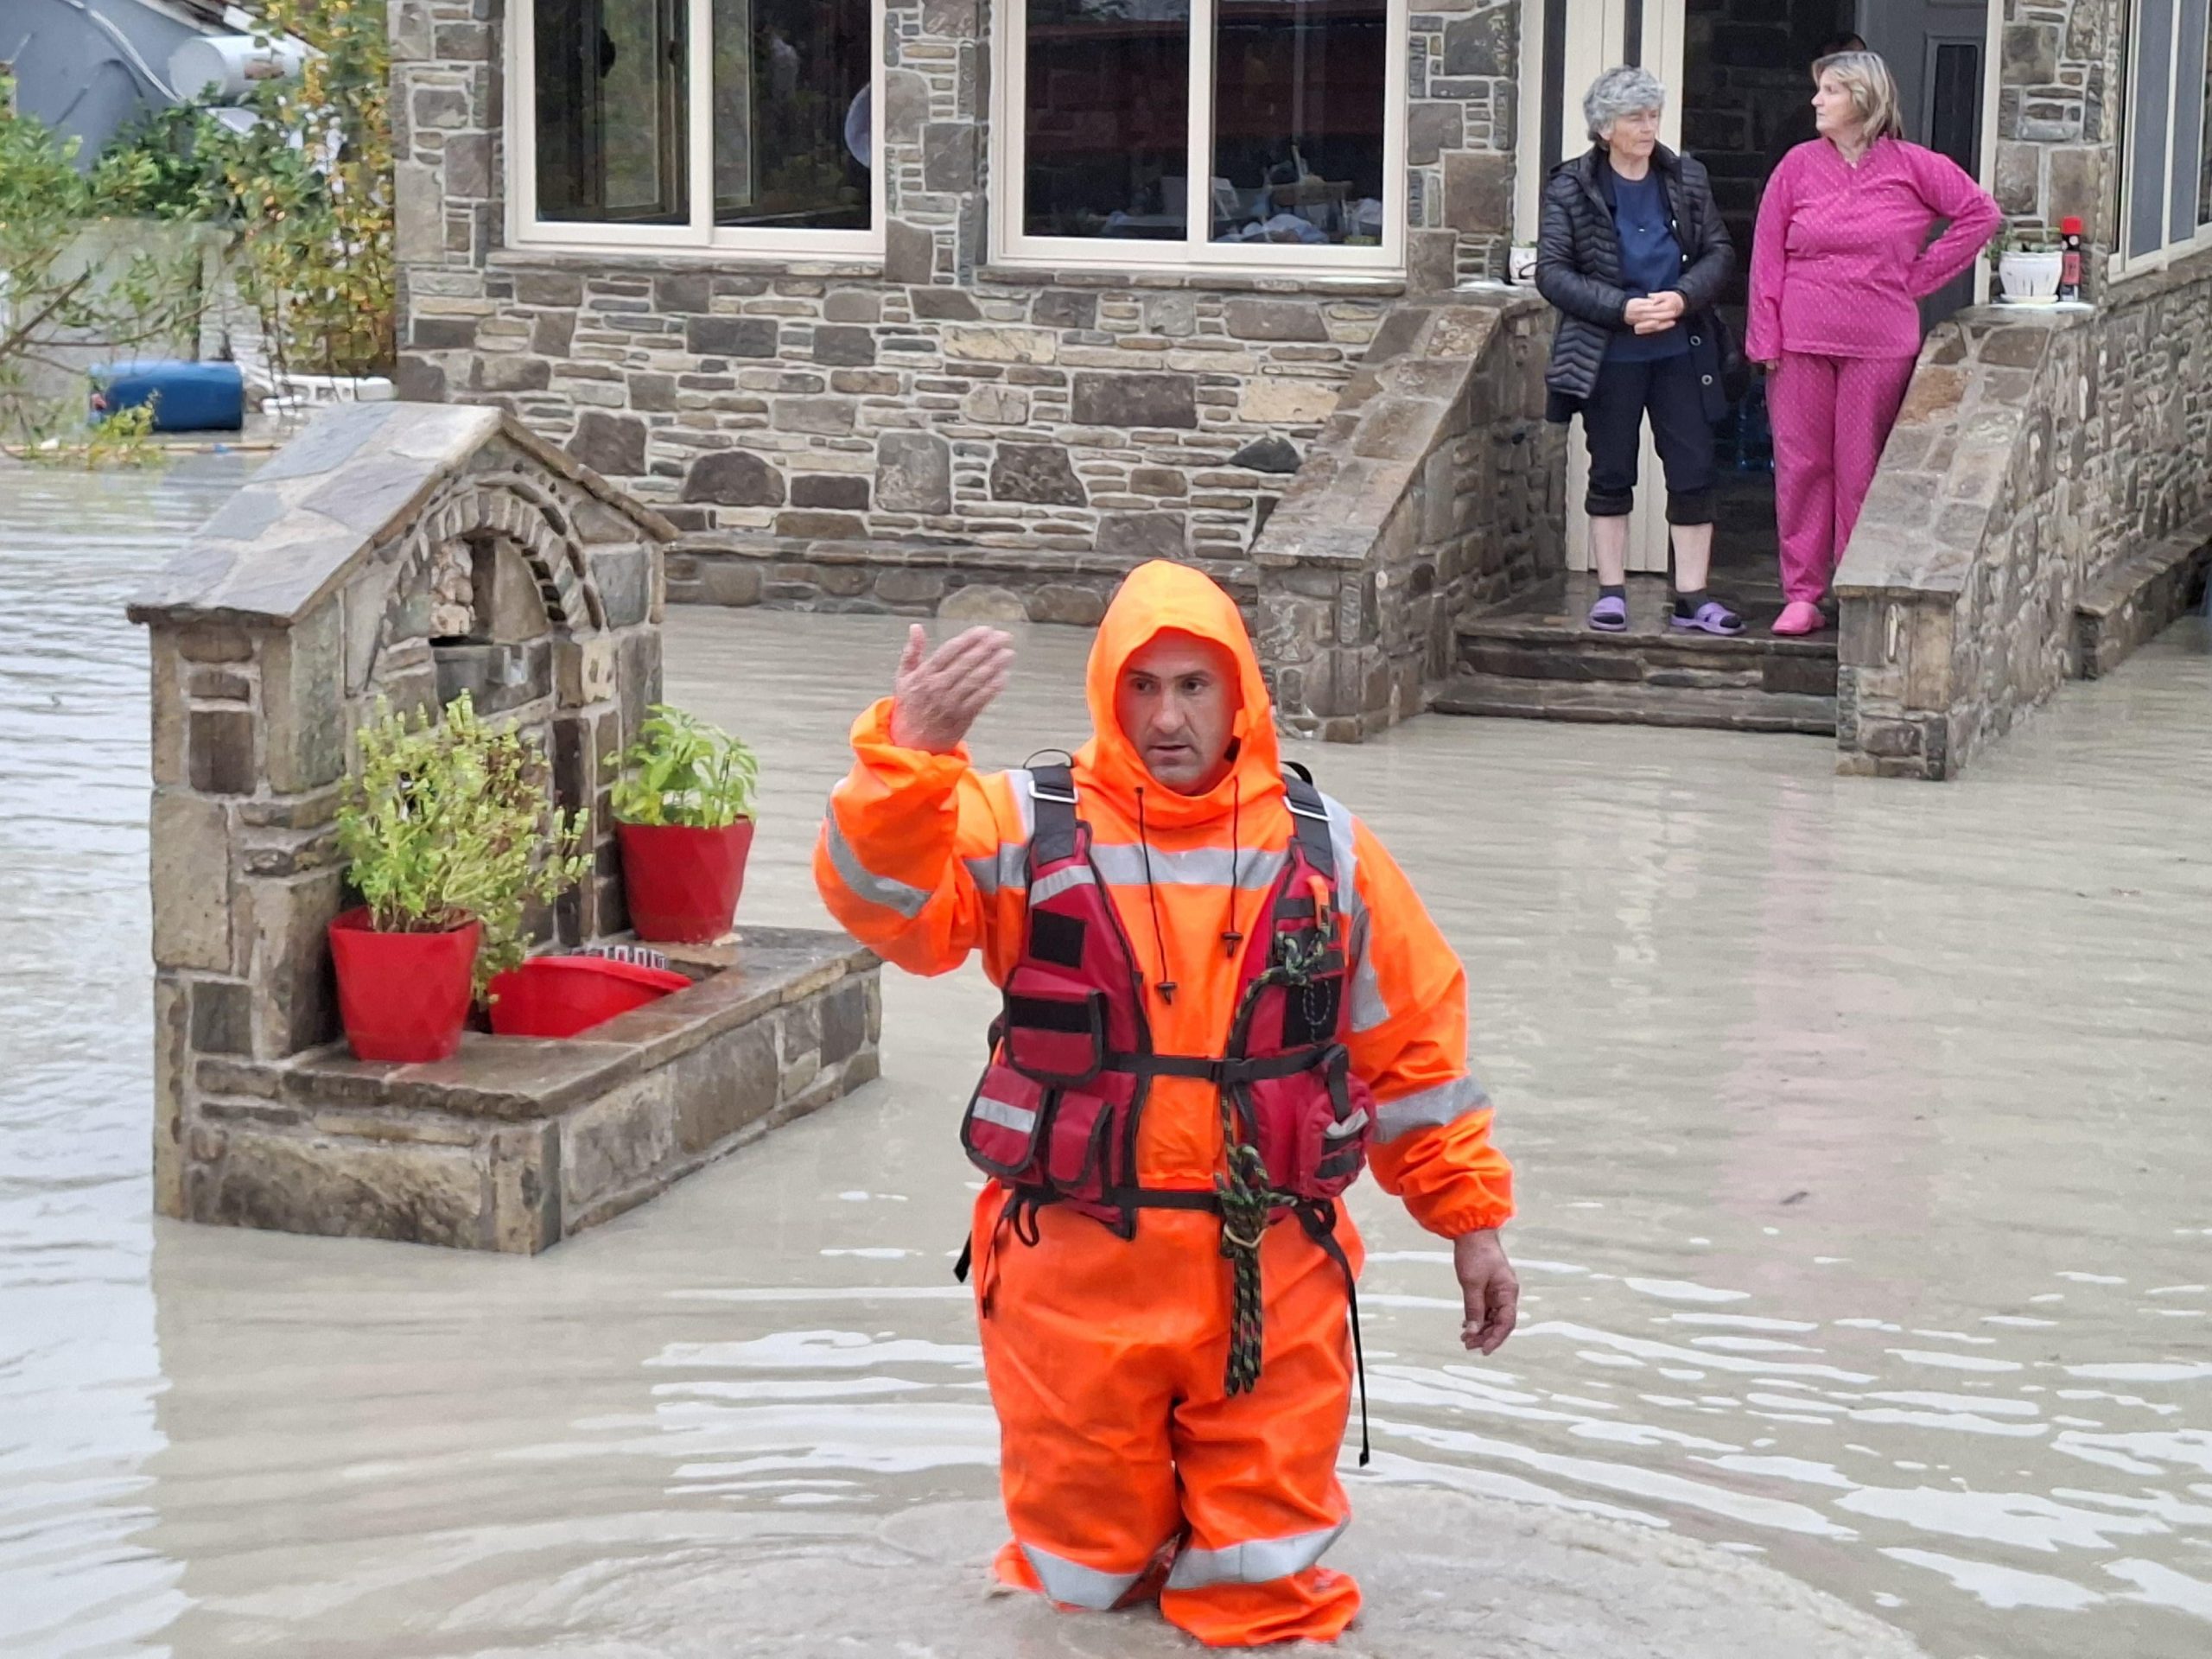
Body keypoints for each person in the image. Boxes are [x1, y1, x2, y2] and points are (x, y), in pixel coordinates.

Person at [813, 561, 1517, 1647]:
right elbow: (884, 912)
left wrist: (1471, 1225)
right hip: (1072, 1281)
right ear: (1107, 693)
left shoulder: (1328, 851)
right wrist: (907, 759)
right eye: (1142, 688)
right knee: (1073, 1594)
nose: (1167, 716)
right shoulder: (1012, 822)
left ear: (1242, 697)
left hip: (1271, 1282)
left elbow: (1415, 1057)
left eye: (1194, 685)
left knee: (1268, 1592)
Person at [1748, 49, 2000, 635]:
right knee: (1802, 465)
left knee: (1861, 467)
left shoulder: (1912, 166)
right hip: (1801, 339)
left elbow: (1980, 215)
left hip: (1879, 341)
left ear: (1864, 99)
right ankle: (1803, 594)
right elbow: (1765, 256)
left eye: (1830, 91)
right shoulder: (1797, 166)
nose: (1816, 101)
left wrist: (1917, 278)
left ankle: (1856, 585)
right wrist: (1765, 335)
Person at [1537, 66, 1741, 637]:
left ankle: (1693, 596)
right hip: (1608, 354)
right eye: (1635, 117)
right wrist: (1622, 309)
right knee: (1611, 470)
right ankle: (1610, 592)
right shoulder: (1571, 187)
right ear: (1605, 128)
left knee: (1694, 469)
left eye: (1653, 115)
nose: (1649, 127)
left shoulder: (1686, 177)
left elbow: (1719, 253)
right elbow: (1553, 273)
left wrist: (1679, 299)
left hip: (1682, 348)